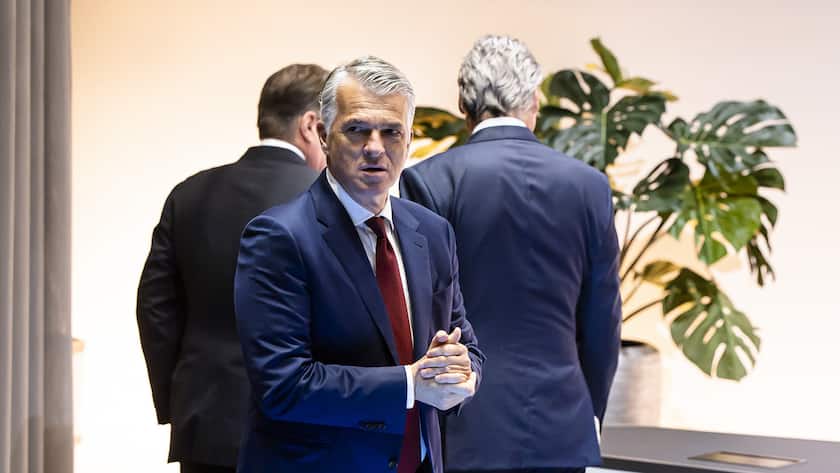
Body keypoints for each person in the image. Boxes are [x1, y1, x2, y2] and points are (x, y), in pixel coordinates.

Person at [233, 56, 485, 473]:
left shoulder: (432, 232)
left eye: (391, 132)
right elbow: (283, 384)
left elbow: (466, 341)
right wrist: (410, 384)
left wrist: (462, 371)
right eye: (357, 130)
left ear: (408, 140)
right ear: (322, 134)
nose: (375, 147)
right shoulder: (279, 237)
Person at [400, 35, 622, 473]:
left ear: (465, 106)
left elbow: (421, 317)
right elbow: (603, 319)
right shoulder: (589, 185)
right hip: (564, 425)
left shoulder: (428, 181)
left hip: (463, 428)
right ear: (534, 101)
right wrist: (588, 409)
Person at [136, 63, 328, 473]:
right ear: (311, 125)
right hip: (305, 430)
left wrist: (180, 399)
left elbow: (155, 308)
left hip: (204, 426)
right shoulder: (326, 202)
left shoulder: (188, 194)